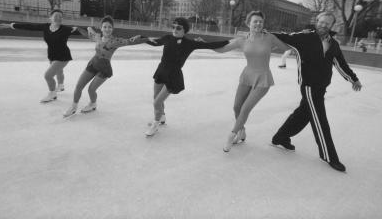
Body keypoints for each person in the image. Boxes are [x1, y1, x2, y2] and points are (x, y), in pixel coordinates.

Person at [270, 12, 362, 172]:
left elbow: (341, 64)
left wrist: (353, 79)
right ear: (316, 21)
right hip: (309, 85)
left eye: (327, 23)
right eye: (321, 21)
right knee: (320, 119)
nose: (323, 25)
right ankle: (329, 156)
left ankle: (280, 137)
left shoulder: (333, 44)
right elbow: (284, 36)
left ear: (331, 26)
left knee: (303, 114)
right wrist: (263, 33)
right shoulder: (305, 37)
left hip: (322, 86)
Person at [214, 11, 289, 152]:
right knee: (237, 107)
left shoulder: (270, 38)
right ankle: (241, 130)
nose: (258, 24)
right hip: (247, 76)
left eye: (261, 21)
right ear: (248, 23)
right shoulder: (242, 40)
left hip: (263, 79)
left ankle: (232, 135)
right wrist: (202, 44)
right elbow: (223, 49)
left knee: (245, 108)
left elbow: (286, 47)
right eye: (255, 21)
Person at [144, 17, 229, 137]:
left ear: (185, 30)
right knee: (156, 97)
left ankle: (155, 124)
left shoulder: (189, 43)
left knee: (157, 102)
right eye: (173, 27)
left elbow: (210, 45)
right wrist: (141, 38)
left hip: (173, 76)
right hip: (161, 71)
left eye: (178, 28)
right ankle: (161, 117)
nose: (175, 29)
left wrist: (228, 42)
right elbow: (155, 42)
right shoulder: (168, 38)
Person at [63, 15, 149, 117]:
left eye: (109, 27)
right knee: (79, 86)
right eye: (105, 27)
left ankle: (93, 104)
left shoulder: (116, 41)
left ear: (112, 29)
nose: (107, 29)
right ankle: (73, 107)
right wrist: (78, 28)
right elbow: (87, 34)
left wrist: (144, 38)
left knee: (91, 89)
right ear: (101, 28)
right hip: (93, 63)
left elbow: (130, 42)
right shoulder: (97, 36)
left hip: (104, 68)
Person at [0, 9, 85, 103]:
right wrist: (11, 25)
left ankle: (52, 94)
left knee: (48, 75)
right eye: (56, 15)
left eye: (60, 16)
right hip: (52, 54)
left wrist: (82, 30)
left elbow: (85, 33)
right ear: (50, 17)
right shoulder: (46, 27)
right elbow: (29, 26)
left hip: (63, 56)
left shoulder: (66, 29)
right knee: (59, 71)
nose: (58, 18)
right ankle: (61, 84)